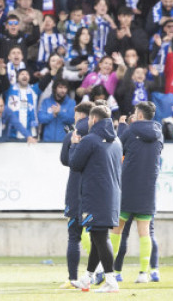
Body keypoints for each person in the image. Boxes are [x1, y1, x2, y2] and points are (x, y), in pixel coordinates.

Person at [70, 105, 123, 293]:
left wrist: (75, 144)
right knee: (96, 237)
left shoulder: (90, 140)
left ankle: (111, 280)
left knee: (100, 237)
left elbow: (75, 164)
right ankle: (88, 277)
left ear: (93, 120)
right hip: (112, 194)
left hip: (95, 195)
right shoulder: (117, 140)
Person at [111, 102, 162, 283]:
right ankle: (144, 273)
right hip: (147, 188)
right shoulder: (159, 133)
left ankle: (112, 272)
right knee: (145, 233)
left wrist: (124, 126)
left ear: (139, 115)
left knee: (117, 231)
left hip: (128, 186)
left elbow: (117, 148)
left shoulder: (131, 131)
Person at [59, 101, 94, 289]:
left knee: (74, 236)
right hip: (95, 190)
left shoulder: (73, 133)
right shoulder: (100, 132)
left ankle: (73, 278)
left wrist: (72, 145)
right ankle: (100, 274)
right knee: (99, 236)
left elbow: (65, 160)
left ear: (80, 114)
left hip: (75, 190)